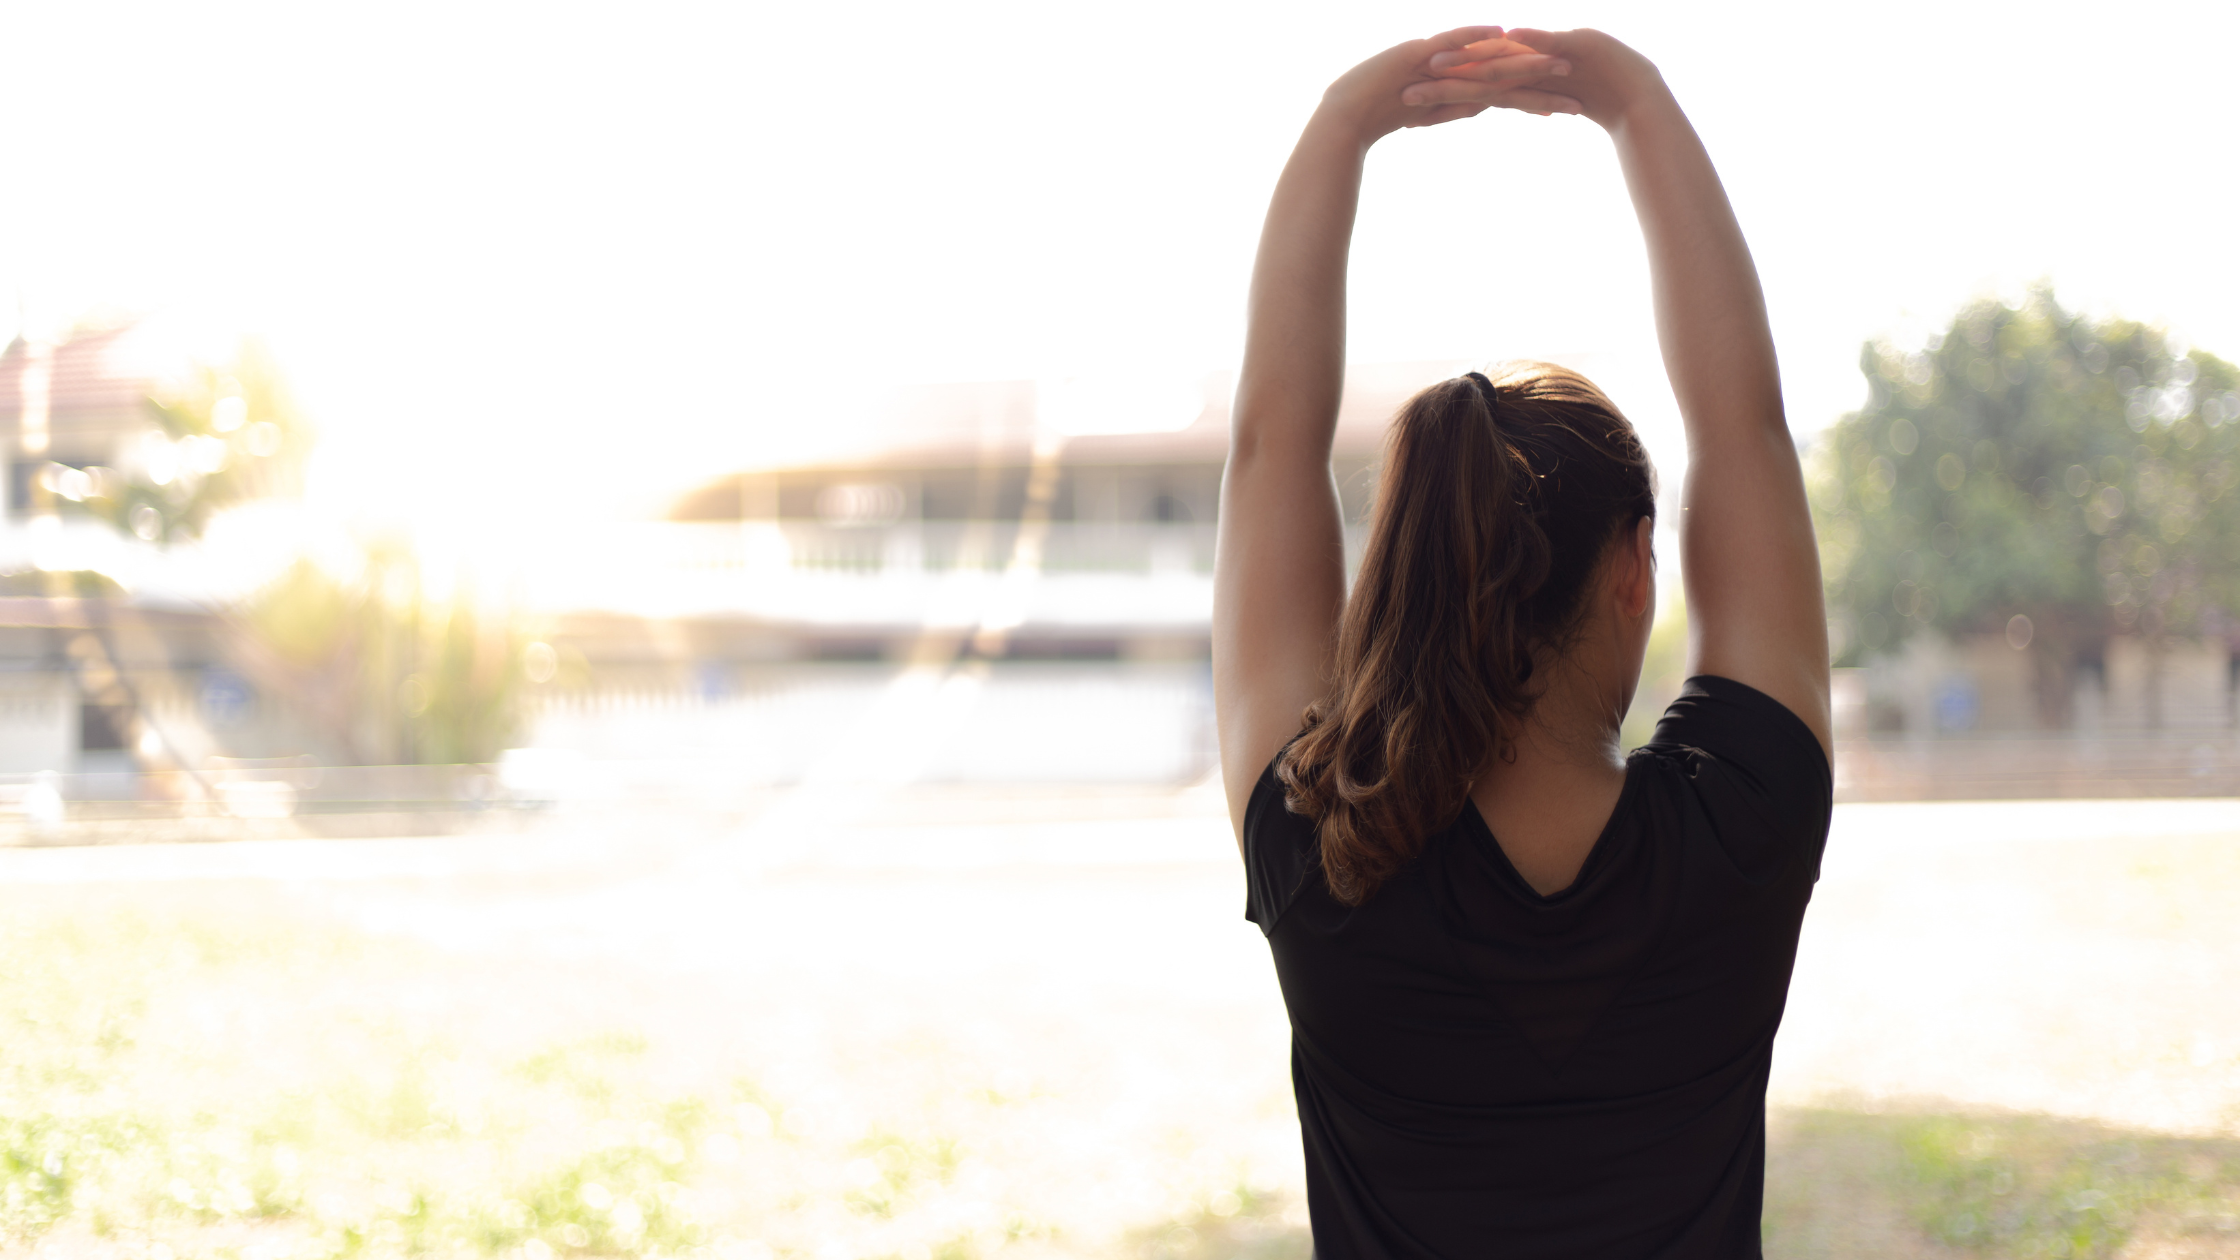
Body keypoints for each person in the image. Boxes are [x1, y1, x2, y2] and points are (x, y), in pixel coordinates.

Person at [1211, 26, 1834, 1258]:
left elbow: (1268, 448)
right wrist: (1634, 105)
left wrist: (1342, 123)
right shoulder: (1740, 827)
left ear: (1405, 574)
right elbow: (1745, 428)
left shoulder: (1321, 850)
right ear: (1631, 566)